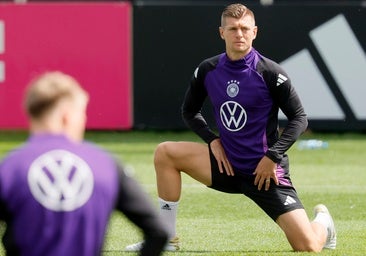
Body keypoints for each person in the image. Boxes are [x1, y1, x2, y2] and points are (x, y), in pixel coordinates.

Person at [126, 3, 336, 252]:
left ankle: (324, 222)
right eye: (233, 28)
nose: (239, 34)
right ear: (221, 32)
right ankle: (165, 238)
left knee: (308, 246)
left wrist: (272, 156)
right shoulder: (208, 70)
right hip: (225, 165)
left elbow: (299, 118)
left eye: (245, 28)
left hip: (263, 172)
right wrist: (212, 140)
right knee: (166, 152)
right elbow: (189, 111)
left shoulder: (270, 73)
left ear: (255, 32)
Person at [0, 71, 168, 256]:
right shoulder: (106, 165)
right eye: (82, 113)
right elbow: (159, 232)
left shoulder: (9, 168)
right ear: (66, 116)